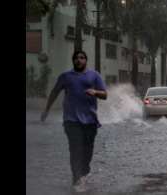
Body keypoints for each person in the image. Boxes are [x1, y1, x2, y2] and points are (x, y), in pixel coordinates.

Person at [40, 51, 107, 192]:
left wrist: (95, 92)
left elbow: (105, 94)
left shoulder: (94, 75)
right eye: (76, 58)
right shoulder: (66, 76)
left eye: (81, 58)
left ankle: (83, 172)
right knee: (75, 149)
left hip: (90, 121)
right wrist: (46, 110)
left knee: (87, 152)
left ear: (86, 61)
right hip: (71, 120)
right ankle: (77, 179)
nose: (79, 60)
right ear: (73, 61)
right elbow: (54, 92)